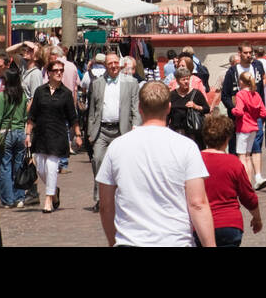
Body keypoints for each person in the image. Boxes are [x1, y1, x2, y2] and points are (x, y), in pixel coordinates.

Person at [96, 81, 215, 247]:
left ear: (139, 108)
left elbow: (106, 206)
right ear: (168, 107)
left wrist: (113, 241)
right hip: (174, 240)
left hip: (131, 241)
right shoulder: (186, 146)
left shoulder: (117, 146)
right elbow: (197, 204)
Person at [25, 55, 82, 213]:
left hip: (57, 135)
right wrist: (28, 134)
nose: (58, 73)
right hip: (41, 134)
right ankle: (54, 192)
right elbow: (32, 115)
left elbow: (72, 117)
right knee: (41, 169)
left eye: (61, 71)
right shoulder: (40, 91)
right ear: (48, 73)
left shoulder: (66, 93)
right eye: (55, 70)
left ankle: (48, 200)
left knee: (51, 167)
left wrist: (77, 135)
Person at [86, 52, 141, 212]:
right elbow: (92, 110)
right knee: (97, 160)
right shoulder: (97, 83)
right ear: (105, 65)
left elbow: (135, 107)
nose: (114, 66)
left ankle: (123, 198)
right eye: (110, 63)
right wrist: (90, 132)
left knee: (123, 165)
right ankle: (100, 198)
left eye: (116, 63)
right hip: (101, 130)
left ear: (121, 64)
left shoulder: (131, 82)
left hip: (122, 130)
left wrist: (136, 126)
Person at [200, 114, 262, 247]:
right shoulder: (233, 163)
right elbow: (248, 196)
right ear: (227, 138)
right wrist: (257, 218)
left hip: (201, 223)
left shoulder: (195, 160)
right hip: (228, 224)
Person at [0, 64, 29, 209]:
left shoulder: (3, 96)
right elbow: (24, 116)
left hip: (6, 133)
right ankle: (20, 198)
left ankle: (7, 200)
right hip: (20, 133)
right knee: (18, 166)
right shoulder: (22, 96)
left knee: (5, 167)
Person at [232, 71, 266, 188]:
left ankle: (245, 183)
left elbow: (239, 111)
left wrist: (233, 110)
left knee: (242, 156)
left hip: (243, 127)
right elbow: (263, 112)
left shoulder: (240, 94)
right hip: (253, 126)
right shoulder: (256, 94)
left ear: (241, 82)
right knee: (248, 155)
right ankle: (250, 183)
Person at [167, 66, 212, 150]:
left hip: (193, 133)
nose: (186, 82)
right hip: (177, 132)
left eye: (188, 79)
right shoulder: (172, 95)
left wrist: (196, 106)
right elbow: (167, 114)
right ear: (177, 81)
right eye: (183, 79)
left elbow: (207, 109)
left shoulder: (196, 94)